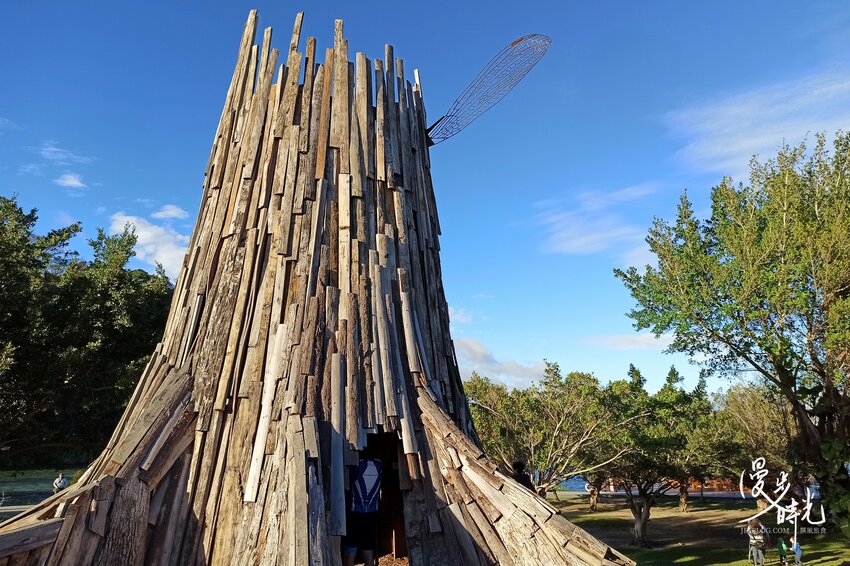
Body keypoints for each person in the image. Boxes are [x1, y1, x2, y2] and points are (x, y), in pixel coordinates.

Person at [342, 458, 382, 566]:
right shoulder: (379, 465)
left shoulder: (355, 465)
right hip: (371, 514)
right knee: (368, 550)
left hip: (354, 514)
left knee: (350, 550)